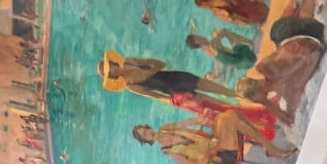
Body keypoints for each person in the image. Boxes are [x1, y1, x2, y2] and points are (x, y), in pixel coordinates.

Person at [132, 108, 294, 164]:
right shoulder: (169, 152)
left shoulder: (164, 129)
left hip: (216, 142)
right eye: (144, 135)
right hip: (221, 156)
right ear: (146, 141)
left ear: (147, 127)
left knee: (227, 115)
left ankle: (268, 147)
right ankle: (270, 148)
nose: (148, 133)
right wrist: (212, 150)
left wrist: (203, 120)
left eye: (145, 130)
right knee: (229, 118)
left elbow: (189, 122)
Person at [98, 49, 236, 100]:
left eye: (111, 67)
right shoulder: (130, 84)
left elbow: (160, 64)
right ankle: (240, 108)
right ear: (112, 77)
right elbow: (155, 95)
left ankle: (237, 95)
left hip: (175, 76)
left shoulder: (130, 61)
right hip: (174, 90)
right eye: (111, 73)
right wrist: (176, 100)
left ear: (113, 63)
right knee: (210, 101)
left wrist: (147, 73)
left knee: (212, 87)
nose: (114, 70)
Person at [185, 29, 257, 70]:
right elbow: (231, 60)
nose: (200, 35)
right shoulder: (212, 48)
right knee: (228, 36)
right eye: (197, 36)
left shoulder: (208, 50)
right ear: (197, 41)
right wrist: (218, 37)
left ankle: (250, 42)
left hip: (243, 63)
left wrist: (217, 37)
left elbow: (227, 58)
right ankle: (251, 42)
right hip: (249, 60)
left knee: (224, 33)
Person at [193, 0, 269, 25]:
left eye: (201, 6)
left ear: (204, 4)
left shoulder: (215, 10)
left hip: (256, 17)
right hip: (259, 5)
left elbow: (230, 18)